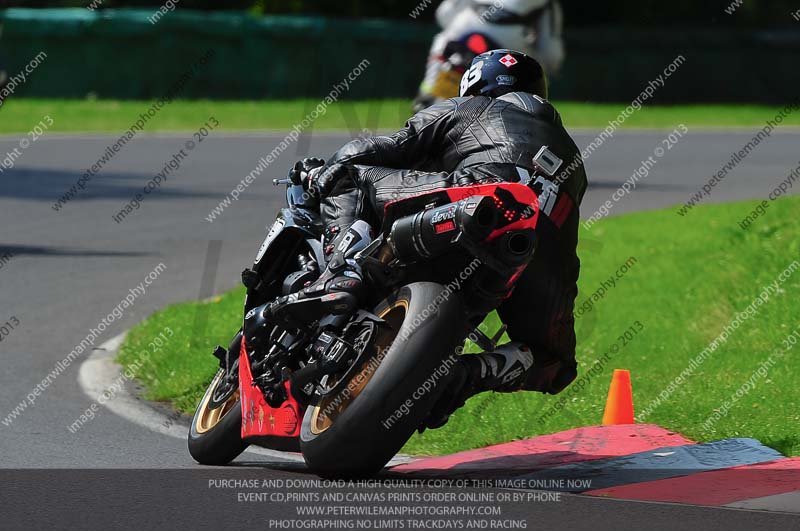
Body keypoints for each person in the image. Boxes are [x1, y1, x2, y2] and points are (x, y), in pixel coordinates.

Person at [271, 49, 586, 426]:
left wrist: (322, 171)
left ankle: (341, 271)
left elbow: (377, 149)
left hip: (475, 198)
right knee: (554, 363)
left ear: (474, 84)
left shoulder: (466, 107)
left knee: (348, 173)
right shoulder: (574, 158)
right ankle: (470, 375)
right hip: (541, 255)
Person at [415, 0, 565, 111]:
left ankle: (427, 95)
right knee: (533, 68)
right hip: (511, 38)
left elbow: (444, 13)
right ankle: (531, 112)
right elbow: (550, 49)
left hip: (464, 26)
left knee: (442, 41)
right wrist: (551, 68)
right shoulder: (549, 5)